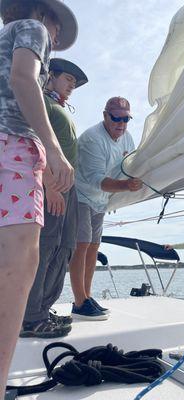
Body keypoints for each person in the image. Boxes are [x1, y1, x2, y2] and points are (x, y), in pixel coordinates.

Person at [0, 0, 77, 397]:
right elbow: (23, 80)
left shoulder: (4, 36)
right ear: (40, 12)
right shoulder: (34, 29)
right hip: (13, 147)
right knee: (17, 268)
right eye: (58, 25)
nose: (57, 35)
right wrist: (52, 149)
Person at [20, 58, 88, 339]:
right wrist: (50, 185)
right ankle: (31, 317)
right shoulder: (43, 105)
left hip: (68, 188)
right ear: (50, 78)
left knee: (65, 247)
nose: (72, 85)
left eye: (74, 83)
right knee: (46, 246)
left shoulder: (58, 106)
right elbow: (34, 140)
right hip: (52, 185)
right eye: (68, 80)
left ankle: (43, 308)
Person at [69, 97, 143, 320]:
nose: (121, 123)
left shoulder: (127, 138)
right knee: (81, 245)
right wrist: (126, 187)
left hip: (100, 201)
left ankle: (88, 297)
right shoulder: (93, 139)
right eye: (116, 117)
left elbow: (128, 166)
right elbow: (96, 180)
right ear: (105, 116)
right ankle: (79, 302)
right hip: (80, 194)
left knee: (93, 246)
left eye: (125, 119)